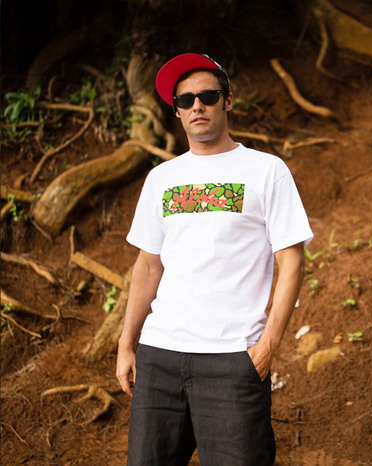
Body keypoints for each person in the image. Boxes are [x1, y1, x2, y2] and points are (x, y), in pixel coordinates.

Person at [115, 53, 313, 465]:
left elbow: (292, 261)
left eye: (208, 96)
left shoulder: (266, 170)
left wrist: (268, 345)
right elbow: (149, 265)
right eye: (185, 100)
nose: (197, 106)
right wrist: (126, 343)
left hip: (232, 359)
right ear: (177, 111)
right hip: (160, 355)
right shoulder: (161, 178)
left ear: (228, 100)